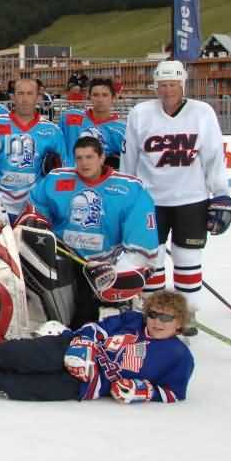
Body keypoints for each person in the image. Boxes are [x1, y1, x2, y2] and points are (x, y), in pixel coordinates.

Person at [0, 290, 194, 404]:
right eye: (153, 314)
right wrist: (83, 345)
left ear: (179, 323)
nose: (157, 322)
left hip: (85, 384)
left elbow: (174, 392)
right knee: (16, 354)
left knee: (19, 387)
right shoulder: (132, 320)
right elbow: (97, 328)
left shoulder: (179, 357)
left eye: (166, 318)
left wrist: (142, 391)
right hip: (69, 349)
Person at [121, 60, 231, 308]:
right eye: (163, 85)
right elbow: (129, 157)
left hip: (191, 200)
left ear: (182, 84)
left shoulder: (202, 112)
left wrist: (220, 193)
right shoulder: (140, 113)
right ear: (156, 86)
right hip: (150, 202)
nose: (168, 90)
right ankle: (154, 312)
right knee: (152, 259)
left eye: (173, 84)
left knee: (188, 257)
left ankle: (187, 312)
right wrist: (125, 194)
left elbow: (214, 155)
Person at [23, 136, 157, 326]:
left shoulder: (130, 188)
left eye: (89, 157)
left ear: (102, 158)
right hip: (61, 259)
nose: (84, 163)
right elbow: (35, 208)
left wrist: (118, 273)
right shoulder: (56, 179)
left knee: (87, 317)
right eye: (79, 158)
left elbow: (142, 243)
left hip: (103, 265)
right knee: (52, 314)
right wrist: (38, 226)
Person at [0, 77, 66, 222]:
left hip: (35, 208)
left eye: (29, 93)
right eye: (20, 93)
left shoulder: (52, 131)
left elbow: (61, 172)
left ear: (38, 97)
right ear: (12, 97)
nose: (25, 99)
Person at [59, 77, 126, 169]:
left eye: (105, 95)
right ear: (89, 97)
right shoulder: (70, 117)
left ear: (113, 98)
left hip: (95, 176)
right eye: (95, 95)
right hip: (68, 173)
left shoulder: (121, 129)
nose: (100, 99)